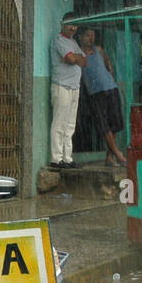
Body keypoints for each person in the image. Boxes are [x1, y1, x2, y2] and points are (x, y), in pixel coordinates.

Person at [78, 27, 126, 166]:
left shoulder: (99, 49)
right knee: (103, 125)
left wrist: (111, 74)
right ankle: (117, 153)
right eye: (87, 35)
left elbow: (108, 62)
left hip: (111, 88)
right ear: (80, 37)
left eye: (93, 35)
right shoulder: (79, 54)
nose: (91, 39)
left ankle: (109, 157)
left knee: (114, 124)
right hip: (95, 93)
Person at [49, 12, 86, 170]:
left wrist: (74, 57)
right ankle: (56, 159)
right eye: (70, 24)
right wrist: (74, 58)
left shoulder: (73, 43)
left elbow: (84, 61)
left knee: (70, 124)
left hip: (74, 87)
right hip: (61, 86)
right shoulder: (58, 40)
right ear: (62, 24)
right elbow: (72, 60)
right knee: (59, 123)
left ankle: (67, 158)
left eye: (75, 25)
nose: (72, 28)